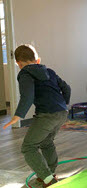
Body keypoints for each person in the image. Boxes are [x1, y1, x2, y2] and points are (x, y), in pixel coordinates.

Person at [3, 45, 71, 187]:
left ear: (19, 64)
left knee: (28, 147)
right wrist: (63, 104)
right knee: (46, 142)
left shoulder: (25, 74)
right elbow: (67, 88)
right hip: (62, 112)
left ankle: (48, 179)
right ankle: (49, 174)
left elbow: (27, 96)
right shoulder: (49, 71)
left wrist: (17, 116)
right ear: (37, 60)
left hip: (47, 114)